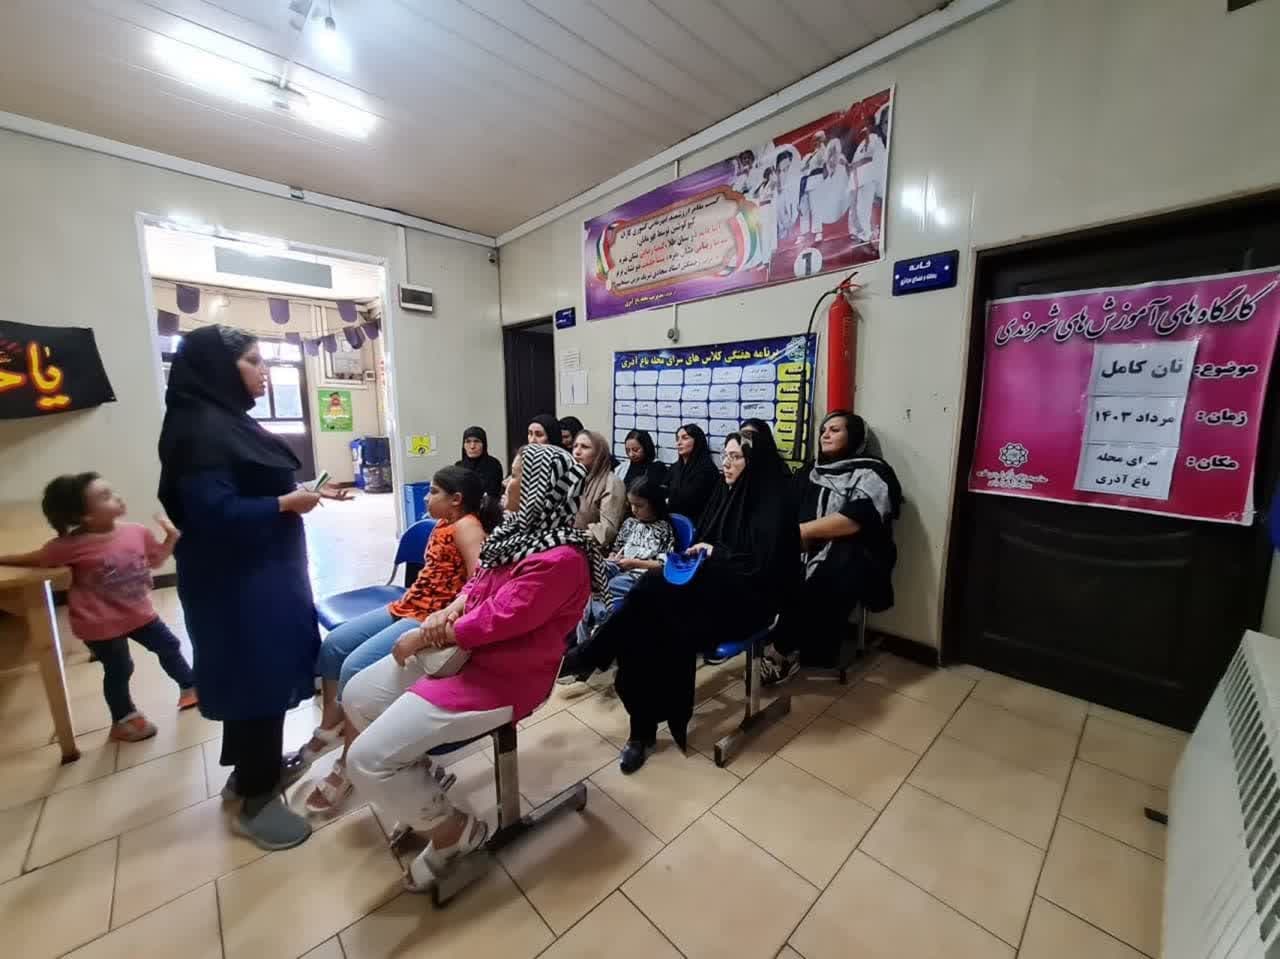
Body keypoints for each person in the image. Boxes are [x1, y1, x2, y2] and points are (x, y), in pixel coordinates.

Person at [343, 443, 602, 890]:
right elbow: (478, 583)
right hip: (461, 654)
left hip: (503, 677)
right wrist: (450, 608)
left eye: (517, 475)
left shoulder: (562, 559)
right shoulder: (516, 532)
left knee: (365, 760)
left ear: (539, 487)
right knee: (358, 696)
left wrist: (423, 635)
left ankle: (455, 832)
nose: (507, 482)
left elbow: (494, 621)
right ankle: (421, 781)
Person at [157, 325, 349, 851]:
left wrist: (299, 492)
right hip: (237, 583)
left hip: (263, 572)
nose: (264, 371)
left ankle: (249, 773)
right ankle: (257, 802)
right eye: (253, 361)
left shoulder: (224, 421)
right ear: (220, 370)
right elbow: (212, 512)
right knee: (257, 676)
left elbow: (247, 484)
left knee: (261, 675)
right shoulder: (198, 429)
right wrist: (286, 503)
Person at [567, 430, 800, 774]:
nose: (727, 463)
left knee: (652, 596)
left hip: (749, 603)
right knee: (647, 620)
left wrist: (715, 553)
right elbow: (704, 543)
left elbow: (767, 570)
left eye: (736, 457)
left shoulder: (774, 502)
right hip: (708, 593)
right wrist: (701, 553)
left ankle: (593, 656)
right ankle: (640, 730)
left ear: (755, 462)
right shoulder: (725, 493)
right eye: (726, 455)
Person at [296, 466, 500, 812]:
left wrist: (446, 616)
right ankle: (332, 725)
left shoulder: (467, 526)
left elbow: (479, 582)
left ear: (456, 499)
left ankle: (347, 762)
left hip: (427, 616)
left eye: (433, 492)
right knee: (334, 645)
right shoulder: (442, 523)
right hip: (407, 603)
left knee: (354, 668)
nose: (426, 497)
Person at [0, 473, 197, 743]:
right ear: (86, 517)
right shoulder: (68, 546)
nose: (117, 497)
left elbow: (154, 561)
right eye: (105, 496)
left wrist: (171, 539)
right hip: (99, 624)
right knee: (120, 668)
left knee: (169, 645)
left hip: (139, 612)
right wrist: (3, 558)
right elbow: (36, 559)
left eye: (112, 491)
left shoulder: (136, 531)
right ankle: (123, 718)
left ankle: (190, 686)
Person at [762, 411, 902, 684]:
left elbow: (856, 519)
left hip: (857, 552)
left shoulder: (873, 472)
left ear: (854, 436)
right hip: (807, 545)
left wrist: (802, 532)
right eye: (823, 430)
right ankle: (773, 636)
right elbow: (788, 507)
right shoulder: (812, 470)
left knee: (826, 575)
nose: (825, 434)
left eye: (835, 430)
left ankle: (783, 651)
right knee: (773, 565)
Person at [572, 430, 625, 551]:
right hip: (565, 544)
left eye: (584, 447)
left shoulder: (612, 482)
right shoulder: (571, 477)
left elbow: (607, 531)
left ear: (598, 453)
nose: (577, 452)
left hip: (594, 551)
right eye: (575, 446)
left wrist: (571, 537)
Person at [665, 423, 719, 523]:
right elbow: (664, 489)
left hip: (696, 523)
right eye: (677, 439)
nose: (679, 443)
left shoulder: (707, 470)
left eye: (685, 438)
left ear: (697, 441)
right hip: (671, 519)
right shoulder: (675, 467)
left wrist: (669, 500)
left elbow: (691, 501)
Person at [456, 426, 504, 500]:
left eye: (476, 441)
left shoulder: (493, 465)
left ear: (484, 444)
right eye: (468, 442)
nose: (472, 446)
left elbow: (494, 495)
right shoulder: (458, 467)